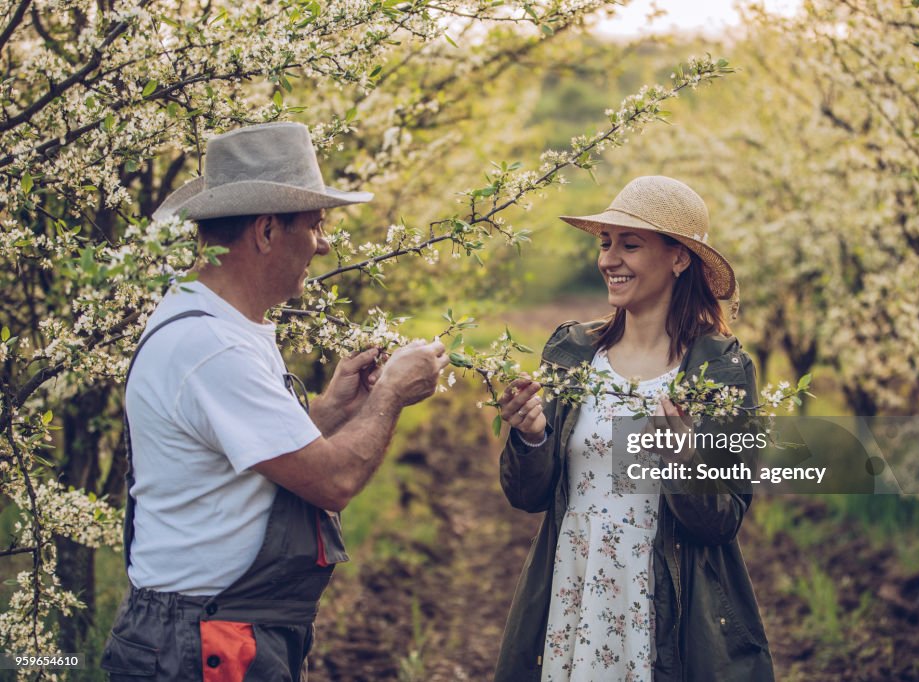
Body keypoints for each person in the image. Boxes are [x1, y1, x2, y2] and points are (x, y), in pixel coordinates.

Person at [101, 122, 449, 681]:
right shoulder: (211, 346)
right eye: (315, 226)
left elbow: (244, 459)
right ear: (266, 231)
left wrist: (334, 409)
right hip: (201, 642)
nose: (325, 243)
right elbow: (332, 482)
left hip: (213, 631)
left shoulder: (220, 326)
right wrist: (389, 395)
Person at [493, 176, 774, 681]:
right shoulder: (574, 354)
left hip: (663, 595)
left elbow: (723, 518)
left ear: (679, 258)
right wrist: (531, 437)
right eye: (605, 243)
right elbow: (528, 496)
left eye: (630, 244)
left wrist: (682, 458)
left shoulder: (720, 371)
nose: (608, 260)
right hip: (573, 587)